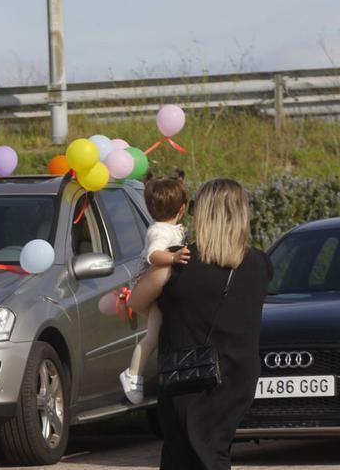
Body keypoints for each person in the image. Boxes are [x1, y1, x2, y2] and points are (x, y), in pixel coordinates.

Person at [132, 178, 272, 470]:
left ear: (203, 215)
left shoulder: (178, 266)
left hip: (188, 375)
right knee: (210, 449)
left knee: (191, 455)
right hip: (239, 377)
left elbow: (135, 302)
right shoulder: (261, 264)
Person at [121, 178, 191, 404]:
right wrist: (173, 257)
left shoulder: (171, 229)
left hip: (162, 290)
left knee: (158, 334)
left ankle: (146, 373)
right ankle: (132, 374)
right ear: (182, 207)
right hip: (149, 285)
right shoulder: (160, 231)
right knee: (152, 336)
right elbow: (153, 254)